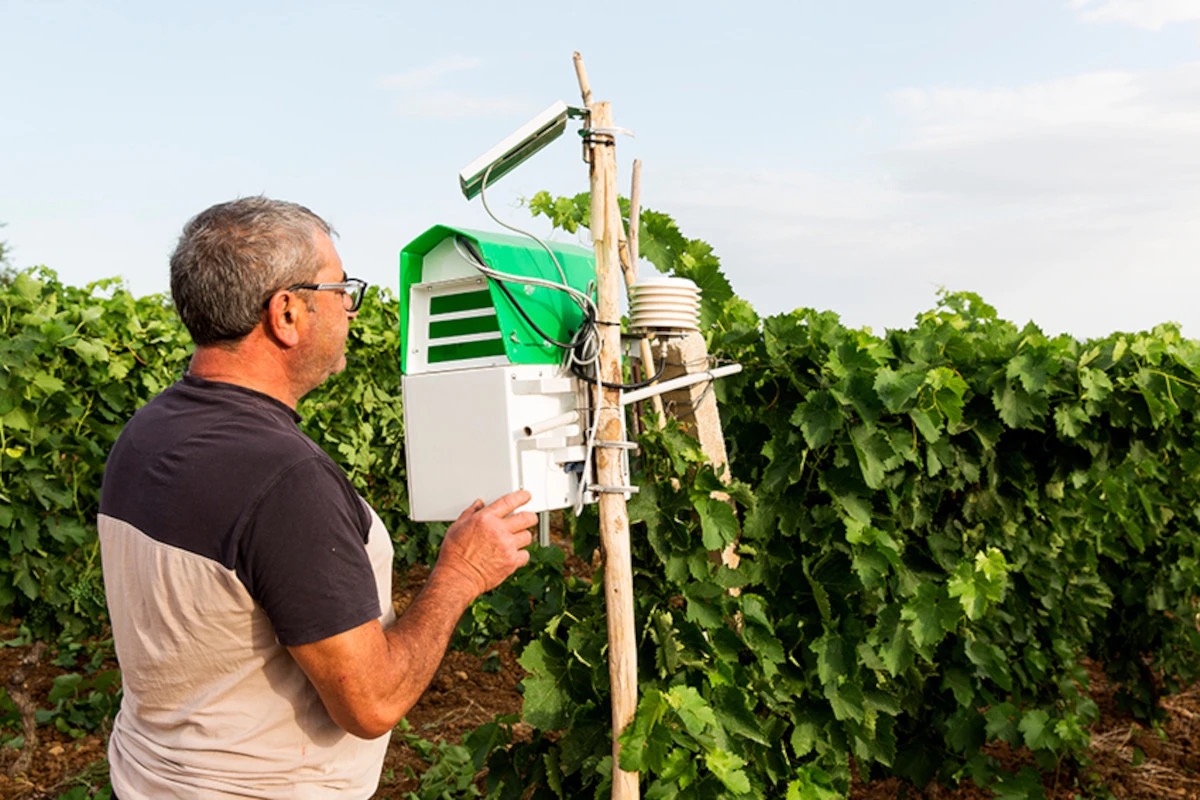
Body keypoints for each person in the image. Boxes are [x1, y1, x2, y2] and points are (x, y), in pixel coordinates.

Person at [98, 196, 536, 799]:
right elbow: (372, 702)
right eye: (341, 290)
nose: (351, 310)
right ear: (286, 313)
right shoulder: (285, 481)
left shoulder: (147, 431)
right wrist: (460, 573)